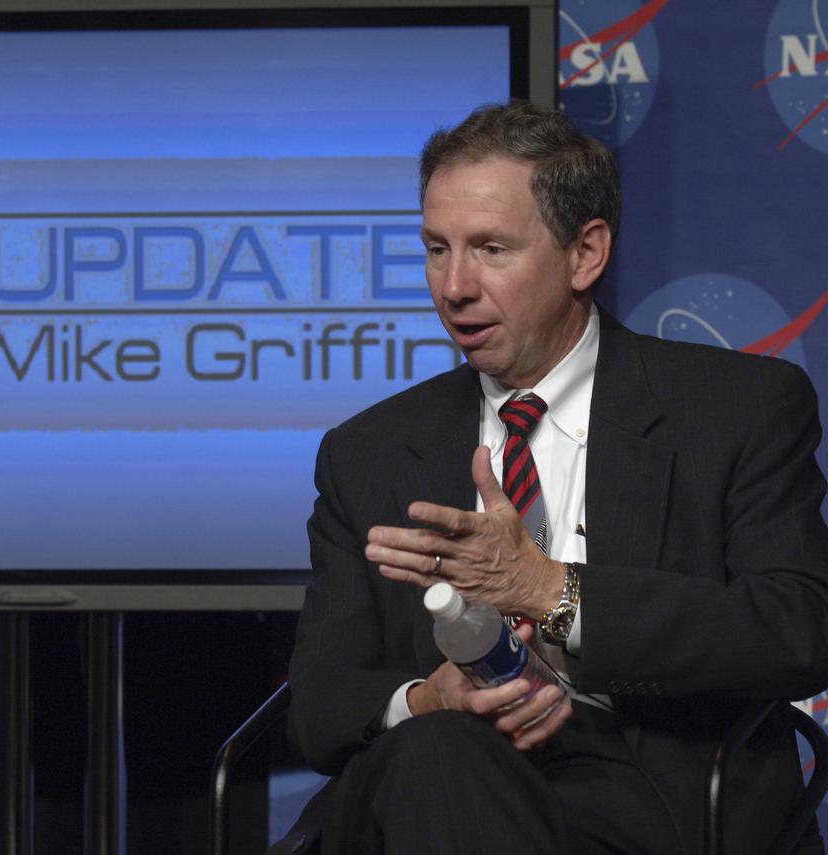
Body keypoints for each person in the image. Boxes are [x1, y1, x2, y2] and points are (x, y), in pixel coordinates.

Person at [285, 102, 828, 854]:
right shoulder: (367, 451)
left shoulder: (734, 409)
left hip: (648, 794)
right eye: (437, 249)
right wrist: (427, 698)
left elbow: (798, 627)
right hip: (432, 782)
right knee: (439, 754)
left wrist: (550, 590)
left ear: (585, 254)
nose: (454, 286)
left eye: (491, 249)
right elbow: (317, 705)